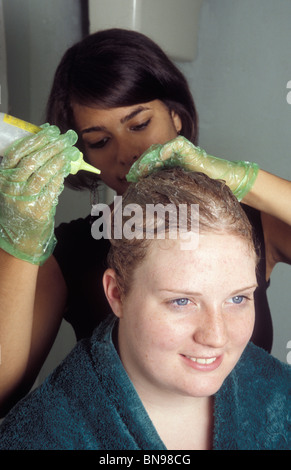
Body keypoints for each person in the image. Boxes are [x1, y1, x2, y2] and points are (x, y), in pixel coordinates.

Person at [0, 28, 291, 417]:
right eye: (100, 141)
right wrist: (20, 242)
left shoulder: (246, 224)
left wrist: (245, 180)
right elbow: (3, 391)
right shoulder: (72, 251)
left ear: (175, 115)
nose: (128, 153)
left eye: (138, 124)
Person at [0, 169, 290, 451]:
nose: (216, 336)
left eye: (237, 299)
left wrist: (250, 178)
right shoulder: (41, 435)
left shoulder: (281, 395)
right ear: (117, 294)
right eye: (181, 301)